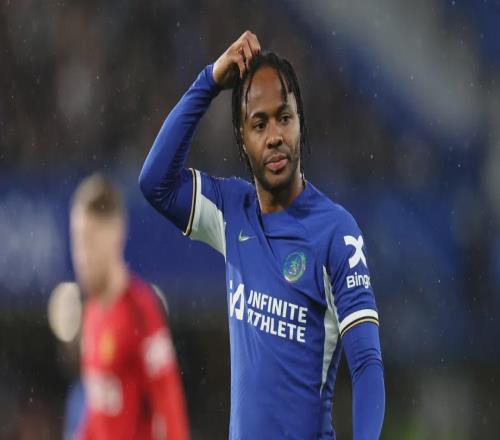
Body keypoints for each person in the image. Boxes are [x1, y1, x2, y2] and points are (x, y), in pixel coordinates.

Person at [139, 30, 385, 440]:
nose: (274, 136)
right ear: (242, 137)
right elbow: (156, 183)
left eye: (284, 118)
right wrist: (209, 81)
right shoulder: (231, 211)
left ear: (300, 123)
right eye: (259, 123)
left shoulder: (336, 233)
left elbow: (366, 365)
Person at [70, 173, 189, 440]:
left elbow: (170, 409)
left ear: (116, 235)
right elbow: (98, 413)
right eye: (77, 241)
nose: (82, 255)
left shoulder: (140, 311)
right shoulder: (91, 314)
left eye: (90, 240)